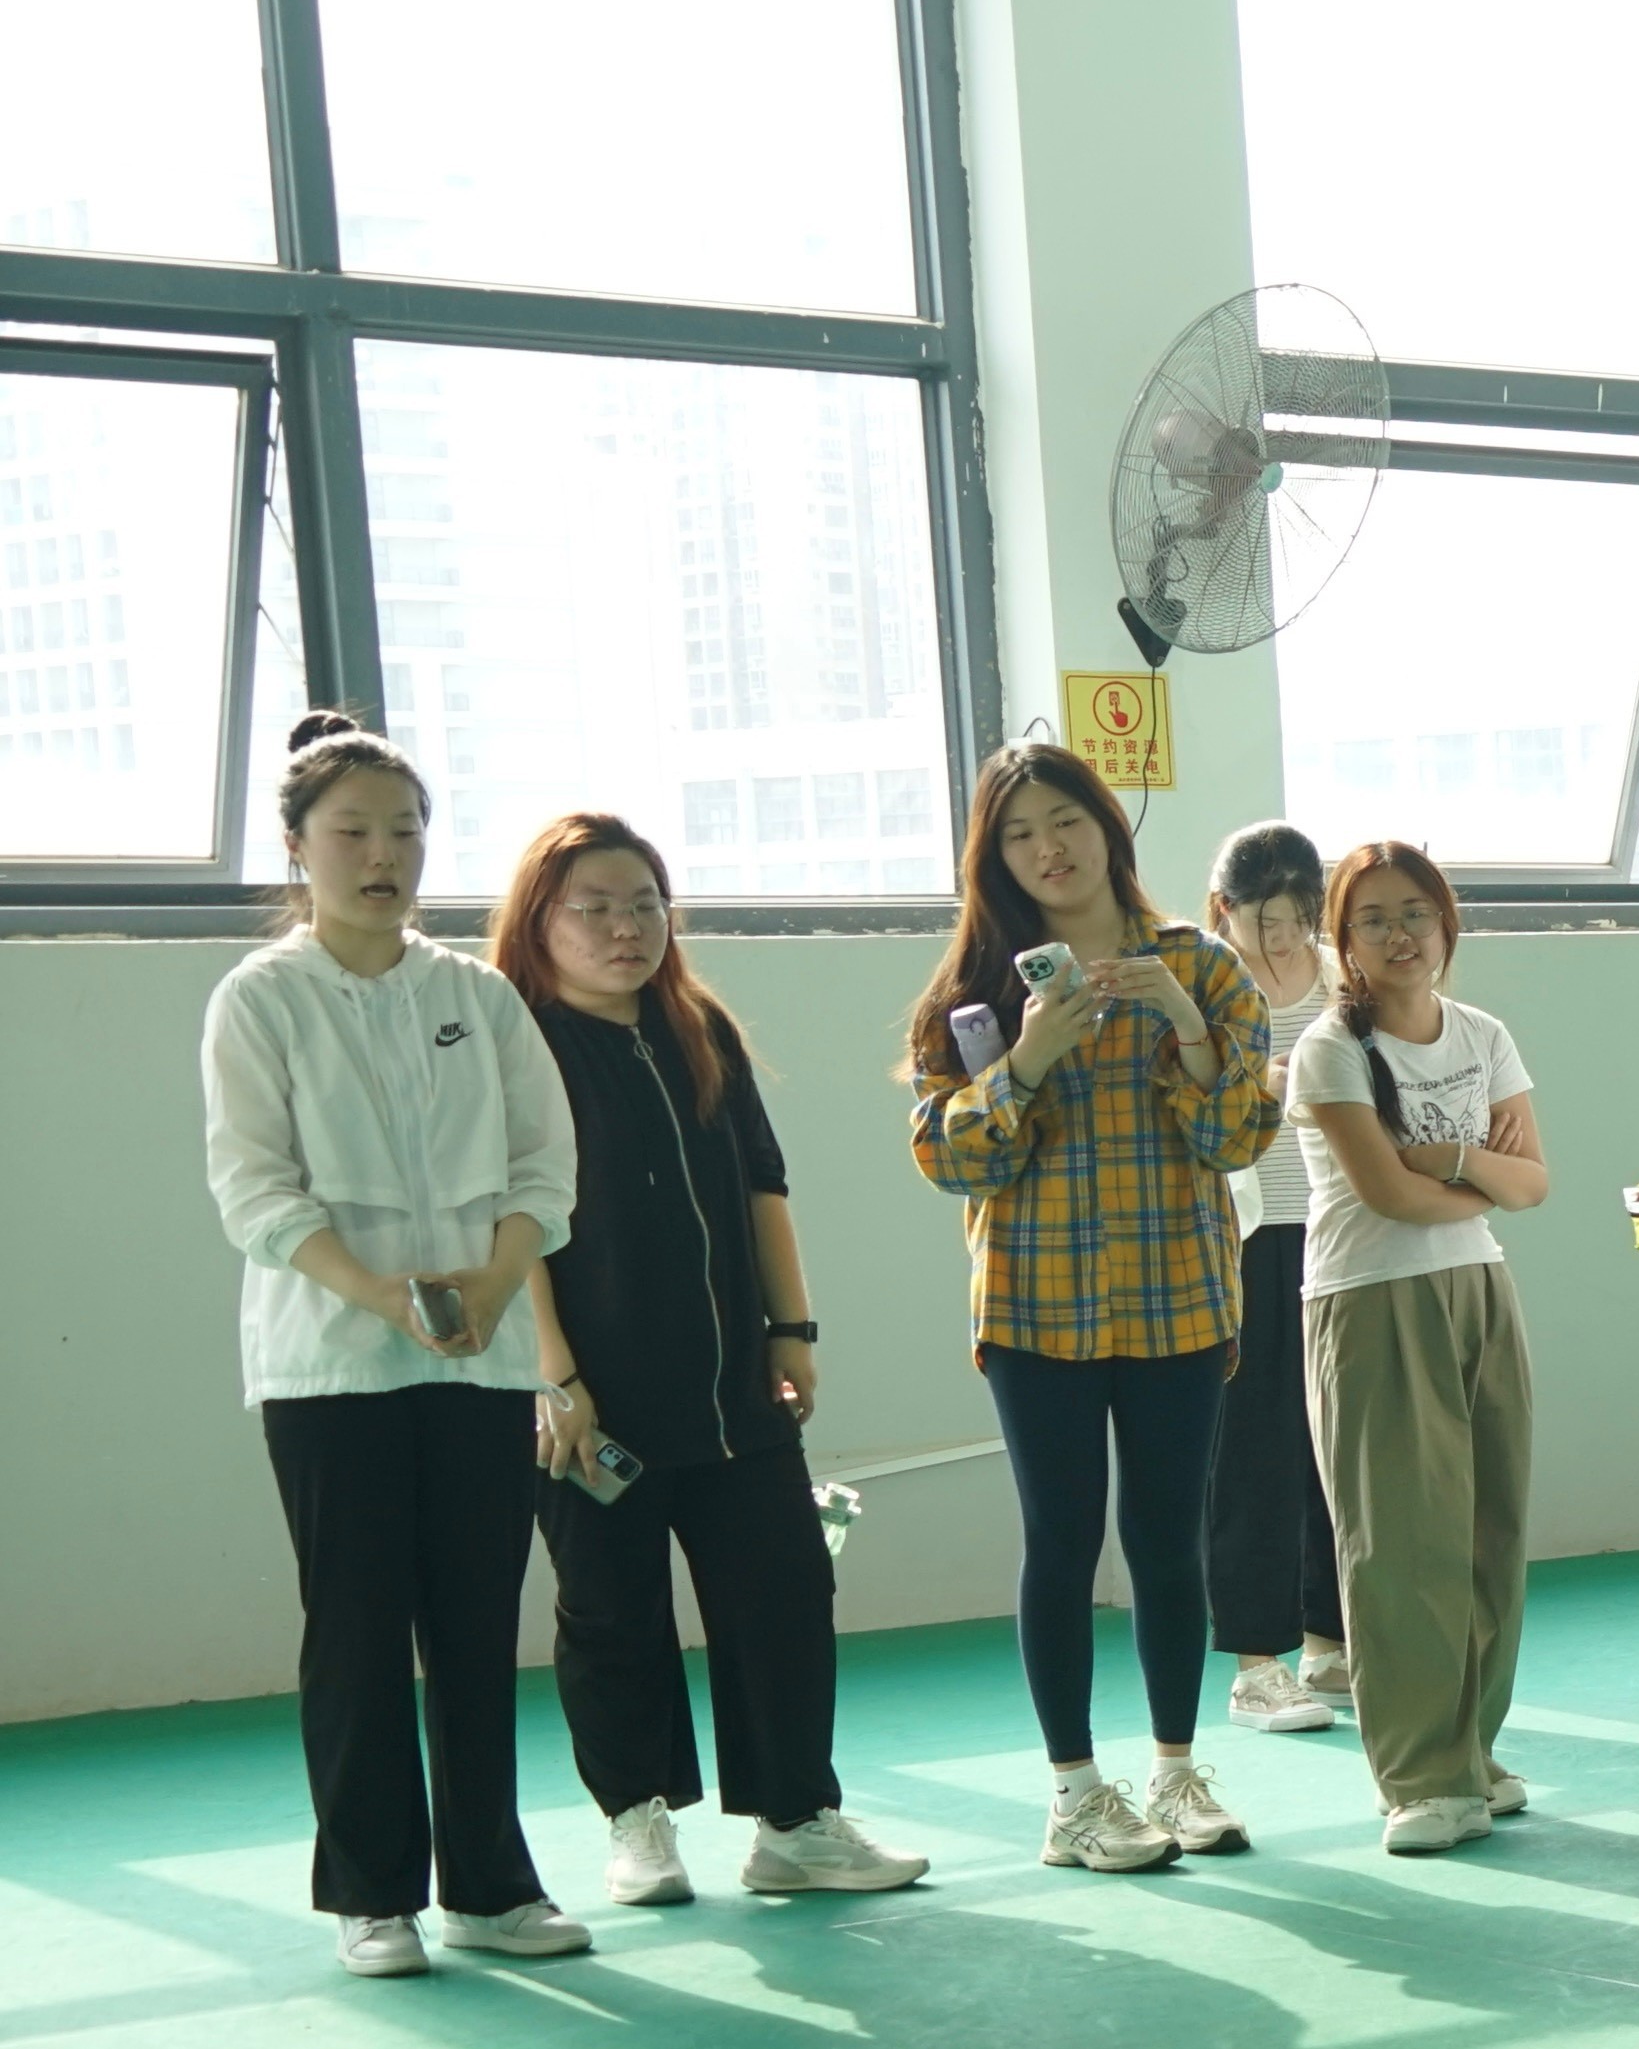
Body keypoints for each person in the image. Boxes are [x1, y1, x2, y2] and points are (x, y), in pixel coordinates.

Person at [198, 716, 592, 1975]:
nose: (384, 855)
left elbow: (546, 1167)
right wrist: (380, 1295)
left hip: (479, 1360)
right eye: (353, 832)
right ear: (297, 848)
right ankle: (372, 1894)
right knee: (358, 1629)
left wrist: (493, 1285)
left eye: (406, 831)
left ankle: (492, 1887)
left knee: (475, 1626)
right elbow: (254, 1191)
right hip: (331, 1366)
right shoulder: (260, 999)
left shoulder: (477, 996)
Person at [491, 814, 922, 1904]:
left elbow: (764, 1186)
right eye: (595, 908)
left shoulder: (700, 1030)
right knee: (609, 1611)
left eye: (645, 904)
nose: (625, 928)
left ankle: (795, 1823)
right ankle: (637, 1823)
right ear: (539, 920)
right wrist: (555, 1376)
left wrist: (793, 1330)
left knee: (785, 1592)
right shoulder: (517, 1045)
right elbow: (508, 1222)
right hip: (592, 1401)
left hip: (736, 1391)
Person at [906, 741, 1281, 1873]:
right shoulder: (977, 986)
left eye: (1064, 820)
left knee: (1168, 1543)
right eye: (1018, 833)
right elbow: (948, 1160)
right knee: (1060, 1543)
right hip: (1037, 1306)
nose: (1047, 848)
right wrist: (1025, 1062)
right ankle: (1073, 1796)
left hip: (1179, 1299)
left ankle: (1175, 1772)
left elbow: (1238, 1138)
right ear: (994, 857)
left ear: (1107, 827)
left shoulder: (1202, 965)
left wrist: (1189, 1029)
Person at [1285, 841, 1544, 1853]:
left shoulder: (1484, 1034)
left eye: (1416, 913)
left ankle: (1471, 1750)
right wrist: (1479, 1177)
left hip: (1479, 1288)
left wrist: (1449, 1155)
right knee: (1399, 1545)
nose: (1400, 935)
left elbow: (1533, 1184)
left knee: (1489, 1533)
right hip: (1370, 1298)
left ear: (1446, 923)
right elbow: (1386, 1195)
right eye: (1374, 920)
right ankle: (1421, 1777)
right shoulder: (1332, 1050)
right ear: (1343, 942)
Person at [1198, 820, 1356, 1739]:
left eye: (1300, 919)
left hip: (1341, 1230)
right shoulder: (1201, 983)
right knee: (1251, 1449)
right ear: (1223, 910)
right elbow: (1185, 1098)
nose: (1285, 939)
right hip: (1241, 1239)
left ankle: (1329, 1638)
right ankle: (1256, 1664)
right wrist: (1269, 1075)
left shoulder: (1342, 978)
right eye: (1265, 923)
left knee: (1337, 1440)